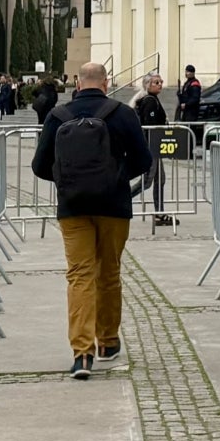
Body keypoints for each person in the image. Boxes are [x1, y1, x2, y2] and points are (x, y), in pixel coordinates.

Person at [32, 63, 153, 380]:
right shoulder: (122, 114)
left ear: (77, 83)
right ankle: (108, 341)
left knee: (79, 275)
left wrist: (68, 180)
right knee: (109, 273)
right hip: (113, 204)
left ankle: (82, 354)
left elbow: (39, 165)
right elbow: (143, 160)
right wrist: (116, 176)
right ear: (106, 83)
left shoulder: (58, 116)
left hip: (73, 207)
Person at [133, 73, 174, 225]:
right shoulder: (149, 101)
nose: (160, 84)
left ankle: (159, 212)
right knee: (147, 181)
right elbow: (149, 125)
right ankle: (120, 201)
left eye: (161, 81)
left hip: (155, 145)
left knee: (160, 179)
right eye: (156, 82)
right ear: (148, 85)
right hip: (151, 146)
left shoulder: (152, 99)